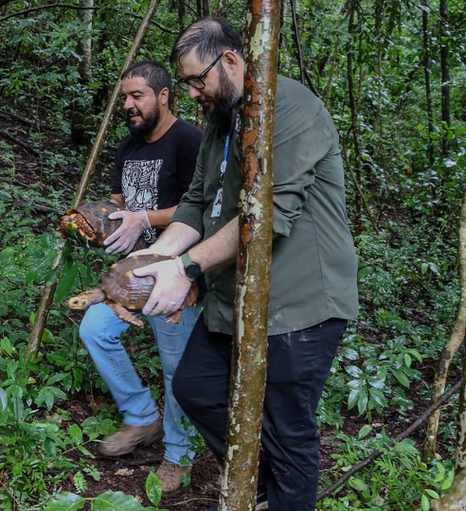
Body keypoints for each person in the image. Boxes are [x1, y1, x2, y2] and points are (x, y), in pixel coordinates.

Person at [131, 18, 359, 511]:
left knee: (285, 429)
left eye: (197, 80)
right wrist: (156, 259)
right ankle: (255, 489)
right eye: (188, 82)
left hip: (300, 306)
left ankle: (280, 499)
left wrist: (187, 268)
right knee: (195, 387)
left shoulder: (290, 106)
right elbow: (197, 202)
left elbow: (267, 215)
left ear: (230, 61)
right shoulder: (220, 123)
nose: (192, 93)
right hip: (233, 300)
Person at [77, 60, 203, 493]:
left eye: (138, 96)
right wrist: (95, 221)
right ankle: (142, 417)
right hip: (130, 277)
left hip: (175, 278)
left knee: (176, 368)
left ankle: (179, 455)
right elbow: (117, 202)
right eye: (125, 97)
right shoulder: (127, 146)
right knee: (95, 329)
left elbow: (200, 206)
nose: (128, 105)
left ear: (164, 95)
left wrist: (143, 216)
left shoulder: (189, 141)